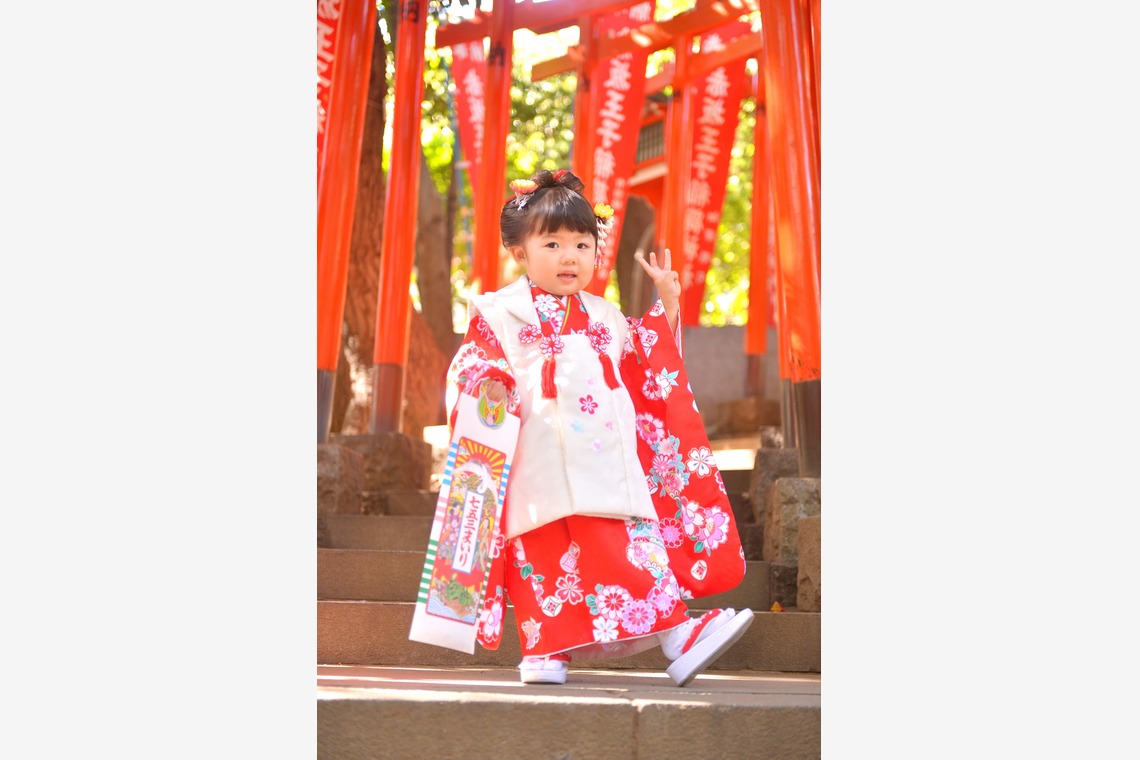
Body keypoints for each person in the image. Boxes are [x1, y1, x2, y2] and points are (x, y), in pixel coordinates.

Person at [444, 168, 753, 687]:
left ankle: (679, 636)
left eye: (583, 244)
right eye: (554, 243)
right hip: (534, 465)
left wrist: (668, 307)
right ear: (520, 252)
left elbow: (646, 369)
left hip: (606, 465)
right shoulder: (497, 314)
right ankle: (545, 653)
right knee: (543, 560)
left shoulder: (606, 318)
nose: (571, 256)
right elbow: (472, 365)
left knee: (626, 547)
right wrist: (489, 381)